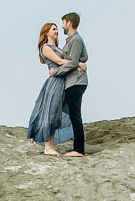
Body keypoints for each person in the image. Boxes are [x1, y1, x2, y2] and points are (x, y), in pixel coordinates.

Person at [27, 22, 72, 156]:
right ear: (46, 32)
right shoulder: (45, 47)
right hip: (54, 82)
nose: (56, 31)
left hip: (61, 82)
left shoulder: (58, 48)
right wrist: (76, 63)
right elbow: (59, 62)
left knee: (56, 114)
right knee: (50, 112)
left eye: (57, 29)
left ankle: (51, 145)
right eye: (53, 29)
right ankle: (47, 146)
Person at [56, 12, 89, 156]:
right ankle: (77, 148)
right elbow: (81, 58)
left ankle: (79, 150)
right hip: (73, 81)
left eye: (63, 22)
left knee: (75, 115)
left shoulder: (75, 40)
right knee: (73, 114)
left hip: (75, 82)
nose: (62, 26)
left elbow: (73, 63)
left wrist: (55, 73)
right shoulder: (71, 40)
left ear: (69, 23)